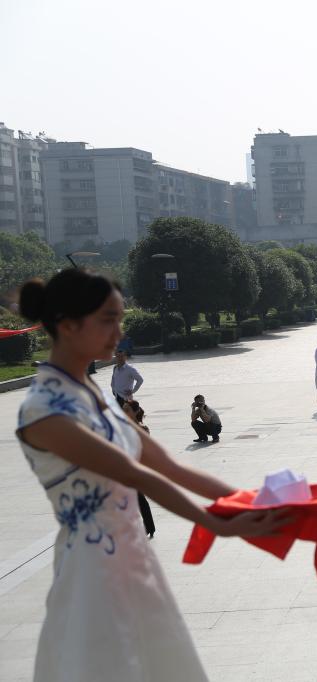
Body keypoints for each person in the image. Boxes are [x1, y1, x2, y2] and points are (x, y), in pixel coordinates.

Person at [14, 268, 286, 681]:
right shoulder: (44, 408)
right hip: (90, 573)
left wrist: (250, 501)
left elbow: (169, 466)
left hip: (134, 561)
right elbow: (132, 472)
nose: (119, 332)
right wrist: (213, 521)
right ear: (68, 324)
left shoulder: (97, 395)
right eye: (108, 319)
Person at [121, 399, 156, 539]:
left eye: (127, 410)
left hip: (135, 466)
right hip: (124, 465)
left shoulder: (142, 428)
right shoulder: (122, 426)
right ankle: (148, 527)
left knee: (137, 498)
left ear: (135, 412)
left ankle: (147, 527)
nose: (124, 412)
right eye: (123, 409)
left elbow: (145, 449)